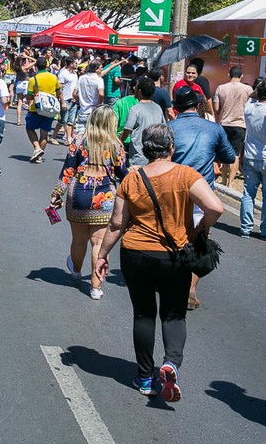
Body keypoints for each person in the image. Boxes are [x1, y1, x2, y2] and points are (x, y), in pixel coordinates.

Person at [96, 124, 223, 401]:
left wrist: (102, 255)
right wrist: (201, 229)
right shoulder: (186, 175)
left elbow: (117, 224)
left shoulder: (131, 179)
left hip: (135, 254)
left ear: (144, 148)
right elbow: (215, 207)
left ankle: (144, 378)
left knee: (143, 314)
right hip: (174, 256)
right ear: (171, 148)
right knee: (174, 314)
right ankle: (170, 364)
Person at [49, 106, 128, 300]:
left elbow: (68, 169)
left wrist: (57, 193)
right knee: (99, 243)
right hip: (105, 195)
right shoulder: (115, 145)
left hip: (79, 194)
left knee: (78, 239)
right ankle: (95, 287)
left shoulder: (79, 140)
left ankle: (76, 271)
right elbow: (122, 174)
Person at [167, 85, 235, 309]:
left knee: (171, 234)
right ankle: (191, 288)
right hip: (202, 192)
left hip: (173, 190)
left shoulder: (168, 128)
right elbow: (230, 157)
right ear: (198, 106)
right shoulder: (214, 129)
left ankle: (171, 279)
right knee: (200, 237)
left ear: (176, 108)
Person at [239, 79, 266, 239]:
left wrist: (261, 89)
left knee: (248, 193)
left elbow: (250, 95)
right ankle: (265, 230)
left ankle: (245, 228)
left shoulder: (249, 108)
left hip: (250, 156)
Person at [214, 66, 253, 187]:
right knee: (236, 154)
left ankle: (224, 180)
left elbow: (216, 108)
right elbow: (251, 107)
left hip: (224, 123)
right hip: (240, 125)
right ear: (241, 76)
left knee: (224, 152)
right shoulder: (248, 89)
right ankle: (230, 183)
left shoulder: (221, 88)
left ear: (228, 75)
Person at [120, 76, 165, 170]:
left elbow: (126, 131)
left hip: (139, 157)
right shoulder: (158, 108)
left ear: (139, 91)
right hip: (155, 156)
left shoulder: (135, 110)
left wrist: (117, 144)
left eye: (136, 88)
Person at [26, 57, 61, 163]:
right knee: (44, 133)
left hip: (36, 109)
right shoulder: (54, 77)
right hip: (49, 109)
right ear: (46, 65)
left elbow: (29, 96)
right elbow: (58, 92)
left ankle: (37, 148)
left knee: (29, 128)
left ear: (36, 67)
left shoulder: (33, 79)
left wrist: (29, 103)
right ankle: (39, 155)